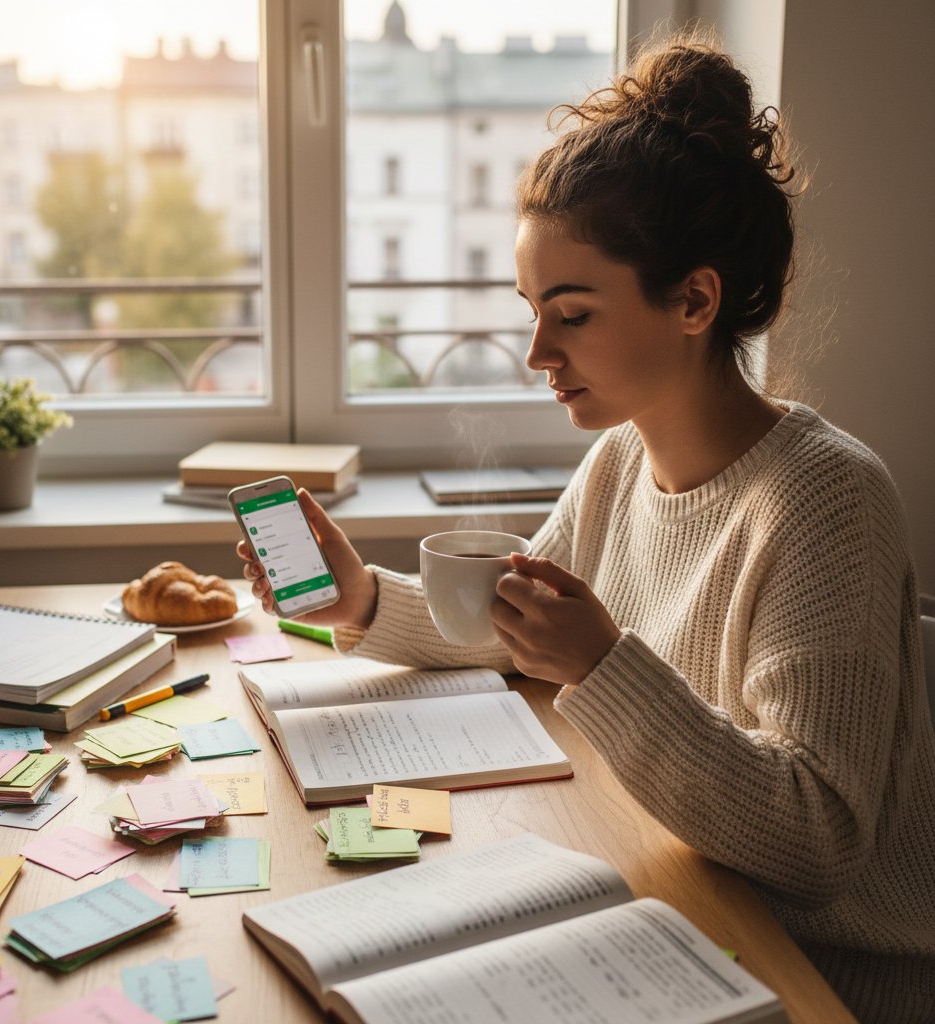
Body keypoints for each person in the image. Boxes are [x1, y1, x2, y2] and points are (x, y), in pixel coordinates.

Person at [238, 34, 935, 1023]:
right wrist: (360, 597)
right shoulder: (619, 459)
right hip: (679, 908)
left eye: (569, 314)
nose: (535, 351)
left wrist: (603, 665)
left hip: (819, 976)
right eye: (531, 310)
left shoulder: (826, 503)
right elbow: (521, 634)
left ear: (692, 300)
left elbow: (816, 843)